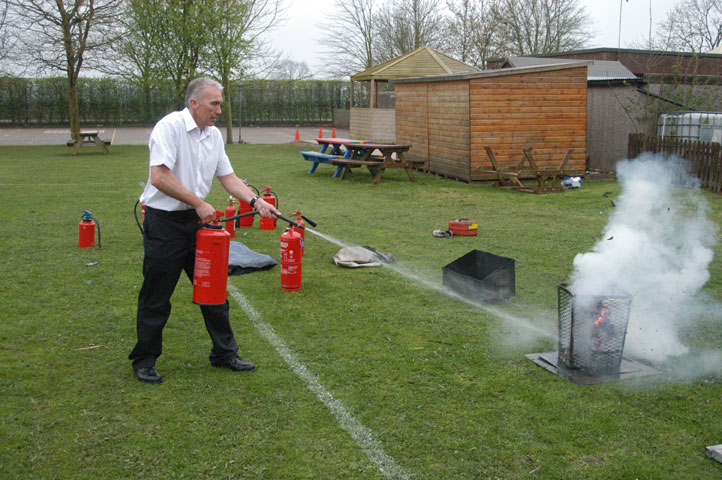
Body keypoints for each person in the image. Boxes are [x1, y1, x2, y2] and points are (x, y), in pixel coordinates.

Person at [129, 77, 280, 384]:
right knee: (157, 296)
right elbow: (159, 177)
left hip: (197, 225)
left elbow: (229, 177)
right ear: (194, 103)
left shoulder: (212, 136)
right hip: (165, 223)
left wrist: (256, 200)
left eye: (220, 104)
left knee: (213, 292)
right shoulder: (169, 128)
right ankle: (144, 360)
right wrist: (198, 202)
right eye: (214, 104)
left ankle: (224, 354)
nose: (219, 111)